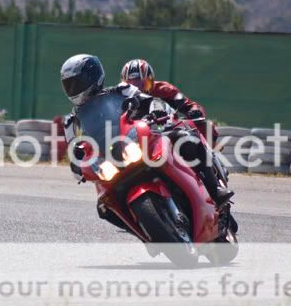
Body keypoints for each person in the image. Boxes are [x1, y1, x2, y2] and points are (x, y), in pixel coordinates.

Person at [60, 54, 233, 222]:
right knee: (104, 209)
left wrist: (160, 109)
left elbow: (150, 100)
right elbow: (74, 156)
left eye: (78, 82)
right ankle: (141, 227)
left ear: (93, 76)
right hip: (109, 157)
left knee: (187, 138)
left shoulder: (120, 91)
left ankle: (215, 189)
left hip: (149, 132)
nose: (74, 88)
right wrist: (78, 164)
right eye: (70, 84)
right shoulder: (71, 121)